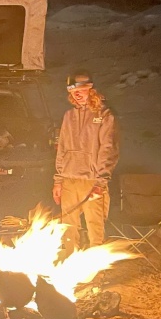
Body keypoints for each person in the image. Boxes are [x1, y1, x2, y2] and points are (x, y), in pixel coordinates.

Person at [52, 69, 119, 254]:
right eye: (73, 92)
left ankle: (96, 277)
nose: (77, 95)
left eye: (81, 90)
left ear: (91, 89)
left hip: (92, 182)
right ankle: (69, 272)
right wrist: (58, 181)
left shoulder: (105, 115)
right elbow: (62, 149)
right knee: (68, 230)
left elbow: (109, 150)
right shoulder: (69, 116)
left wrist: (101, 182)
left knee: (95, 231)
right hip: (69, 181)